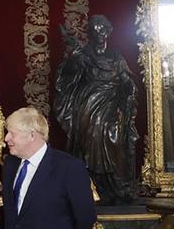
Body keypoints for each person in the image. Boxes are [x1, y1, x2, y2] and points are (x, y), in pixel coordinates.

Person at [54, 16, 138, 204]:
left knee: (115, 138)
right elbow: (67, 76)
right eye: (95, 29)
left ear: (108, 31)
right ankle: (91, 186)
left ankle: (117, 187)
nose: (100, 33)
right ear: (90, 33)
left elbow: (126, 79)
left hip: (113, 103)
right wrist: (74, 61)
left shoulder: (116, 56)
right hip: (89, 103)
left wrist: (129, 88)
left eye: (103, 29)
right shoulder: (83, 54)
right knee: (89, 137)